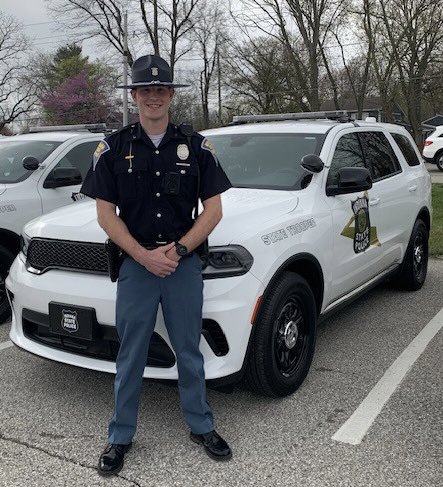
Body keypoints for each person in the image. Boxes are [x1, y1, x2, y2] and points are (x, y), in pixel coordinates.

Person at [80, 54, 232, 476]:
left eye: (160, 89)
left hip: (181, 264)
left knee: (188, 349)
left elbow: (214, 209)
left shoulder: (197, 146)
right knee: (130, 354)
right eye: (145, 90)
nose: (153, 96)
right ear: (134, 95)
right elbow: (105, 214)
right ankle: (120, 436)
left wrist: (180, 251)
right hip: (136, 263)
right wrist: (142, 254)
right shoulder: (112, 148)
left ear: (170, 95)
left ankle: (201, 425)